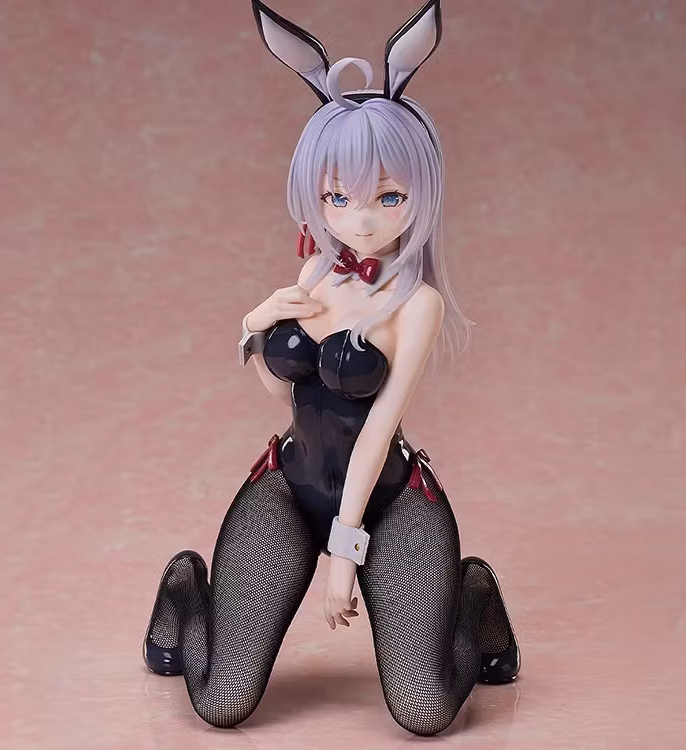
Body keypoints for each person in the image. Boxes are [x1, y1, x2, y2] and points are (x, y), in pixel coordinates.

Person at [142, 0, 520, 736]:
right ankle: (185, 590)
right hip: (291, 486)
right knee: (222, 703)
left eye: (388, 196)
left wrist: (346, 549)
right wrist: (253, 329)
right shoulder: (316, 270)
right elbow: (284, 392)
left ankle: (473, 596)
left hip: (391, 501)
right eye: (337, 197)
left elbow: (378, 428)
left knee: (423, 712)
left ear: (421, 194)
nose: (361, 220)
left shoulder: (418, 304)